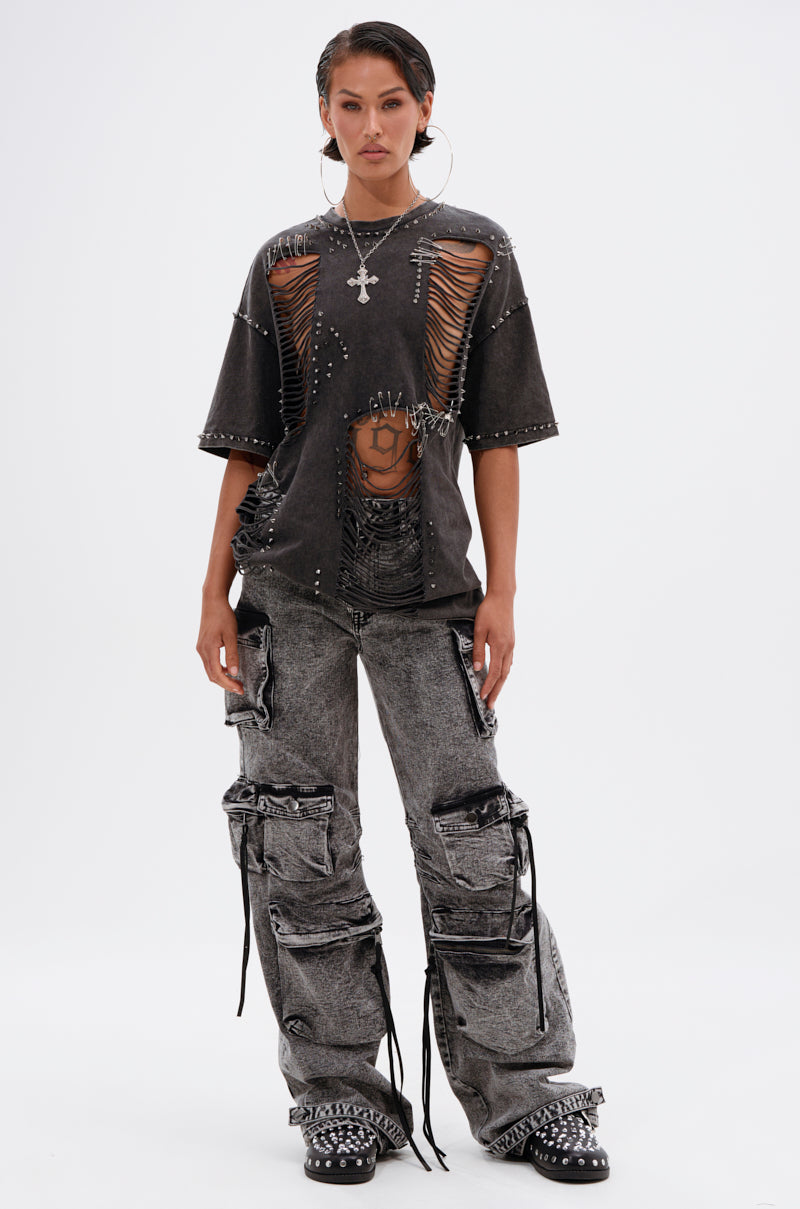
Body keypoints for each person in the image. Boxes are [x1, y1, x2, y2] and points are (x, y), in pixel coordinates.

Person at [196, 20, 609, 1187]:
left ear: (424, 108)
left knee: (471, 835)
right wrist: (213, 593)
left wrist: (504, 595)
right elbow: (244, 442)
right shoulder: (283, 261)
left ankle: (521, 1090)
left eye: (389, 103)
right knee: (296, 829)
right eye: (346, 105)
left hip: (430, 591)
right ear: (322, 119)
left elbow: (496, 436)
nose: (369, 125)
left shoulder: (475, 250)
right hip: (288, 589)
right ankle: (338, 1092)